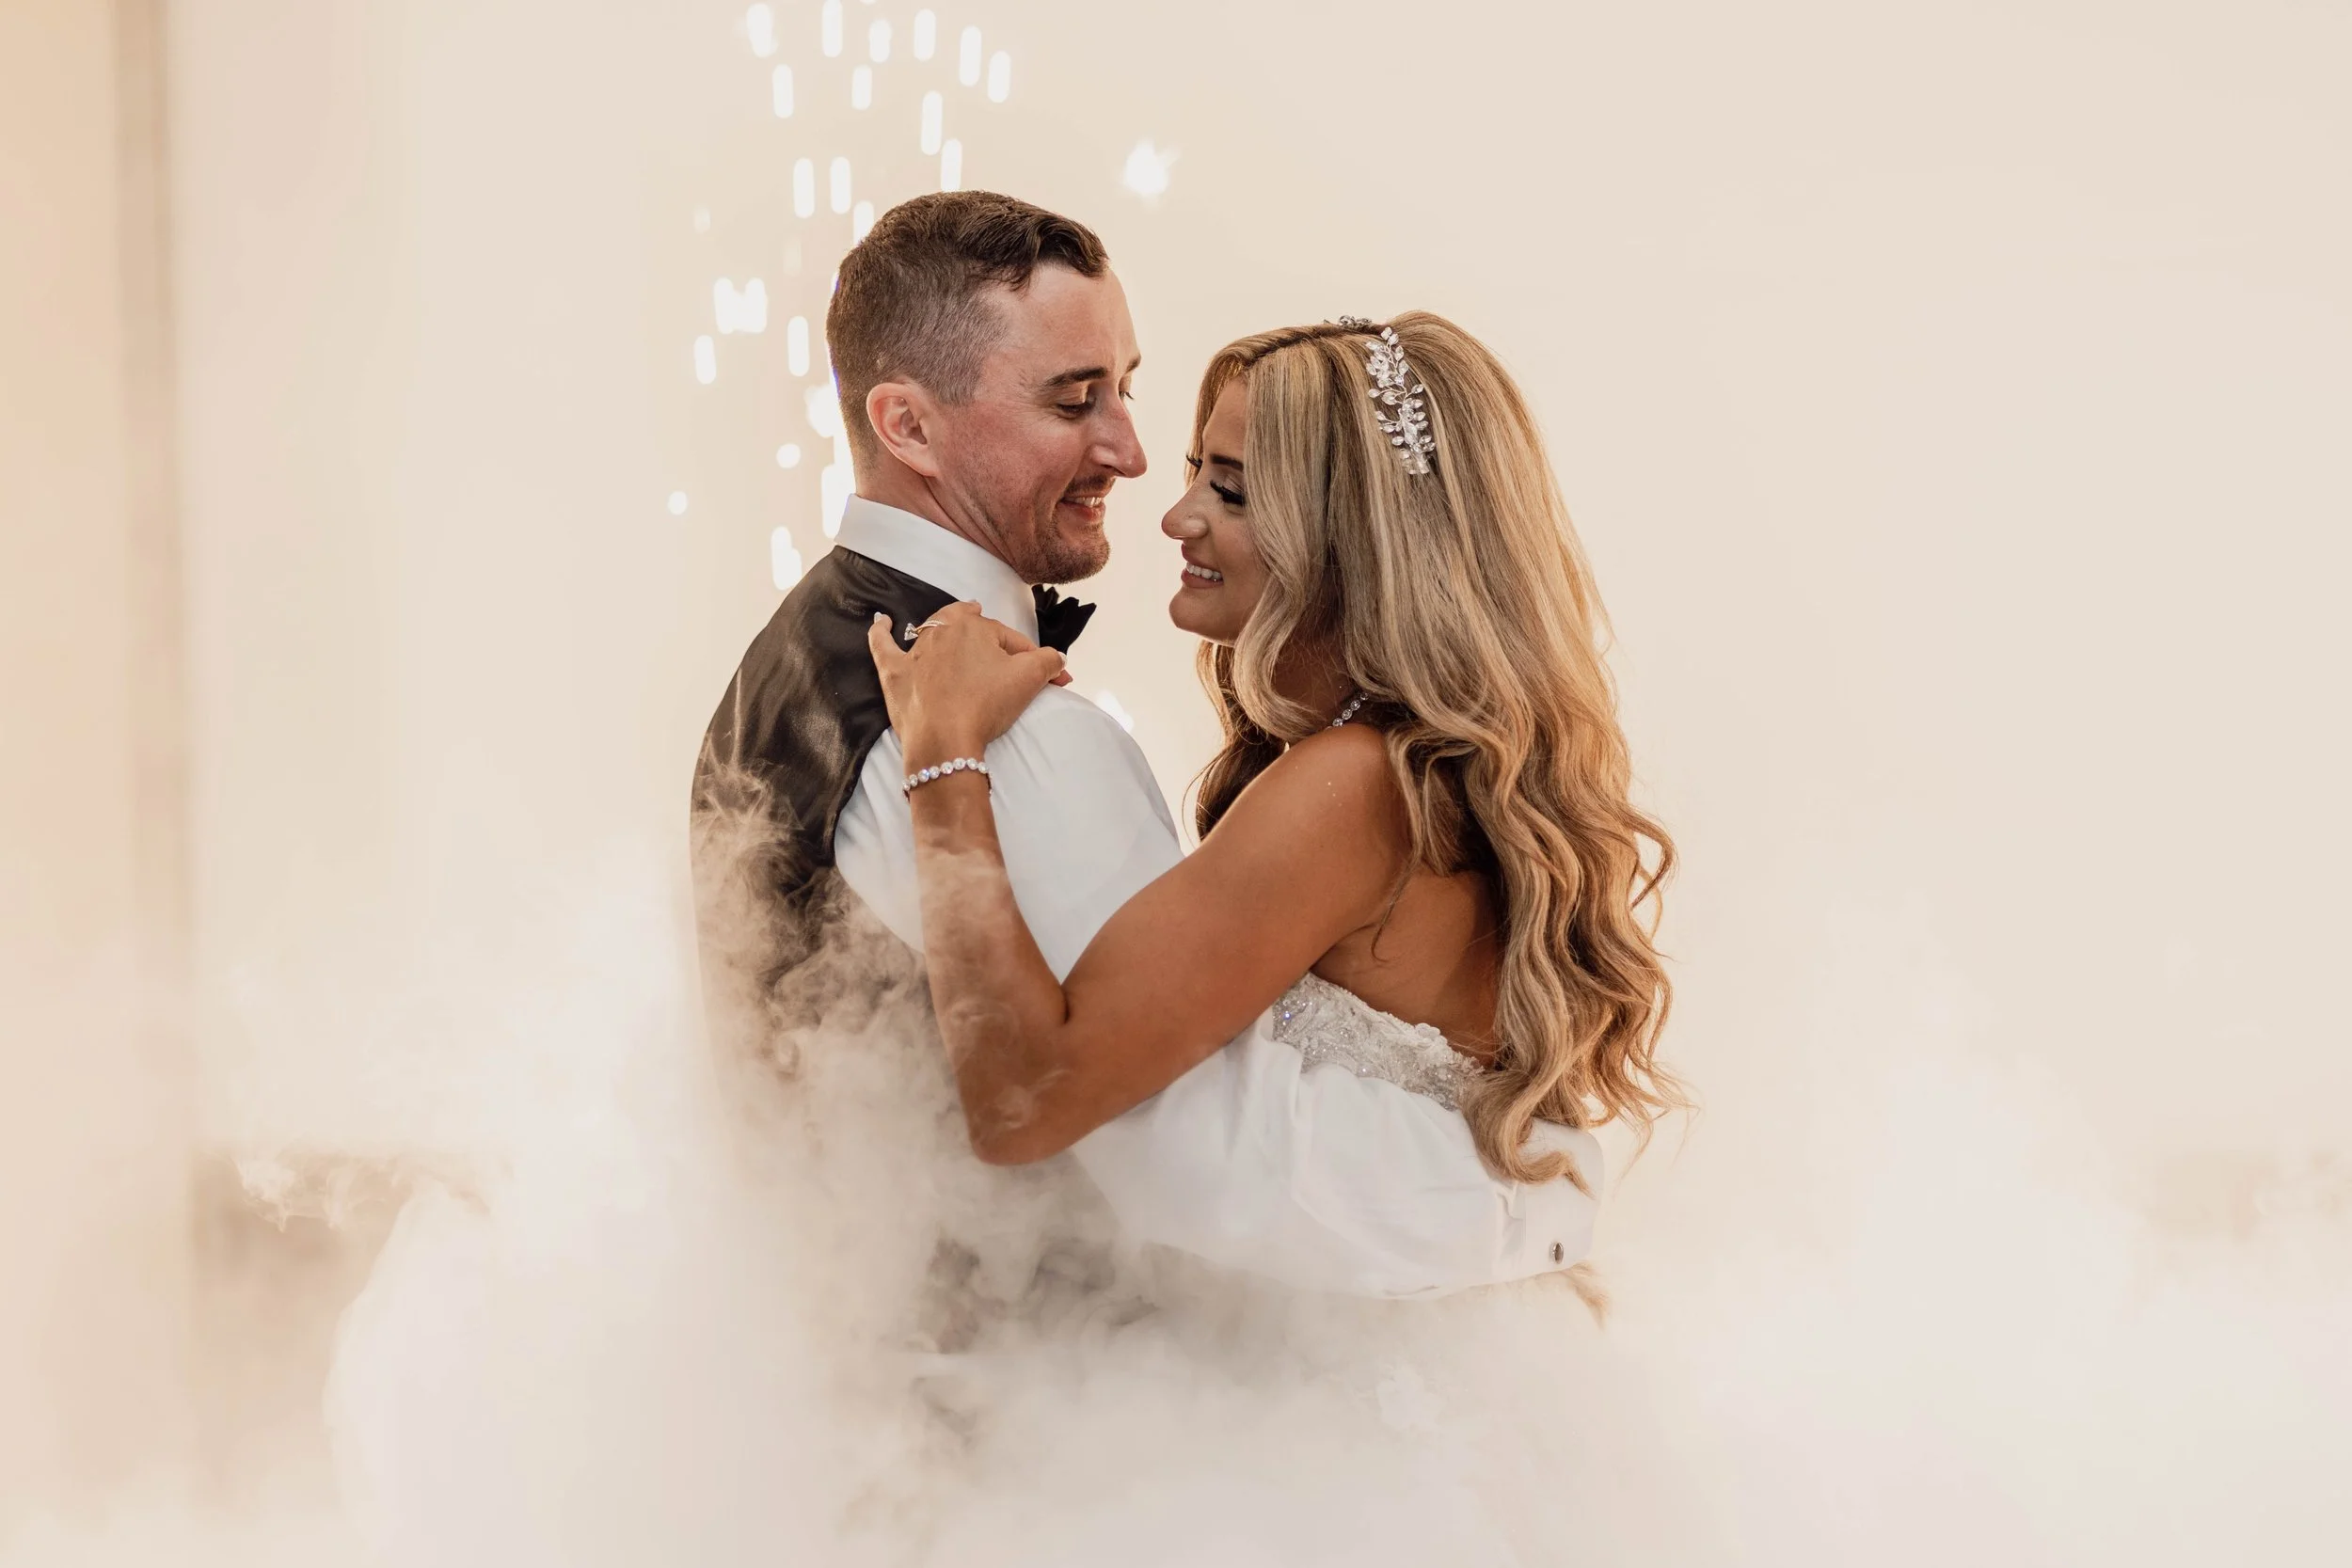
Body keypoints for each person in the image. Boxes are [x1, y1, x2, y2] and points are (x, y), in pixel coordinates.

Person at [692, 191, 1609, 1298]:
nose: (1143, 477)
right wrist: (1547, 1205)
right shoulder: (1023, 735)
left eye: (1229, 487)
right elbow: (1165, 1145)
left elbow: (1140, 1131)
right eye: (1075, 399)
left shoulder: (794, 664)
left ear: (1346, 538)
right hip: (1054, 1372)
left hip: (1085, 1364)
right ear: (909, 426)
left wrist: (1543, 1202)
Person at [868, 309, 1682, 1250]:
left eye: (1232, 492)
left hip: (1361, 1341)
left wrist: (942, 748)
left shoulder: (1354, 787)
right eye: (1195, 473)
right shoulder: (1409, 769)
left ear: (1354, 541)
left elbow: (1020, 1104)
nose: (1176, 517)